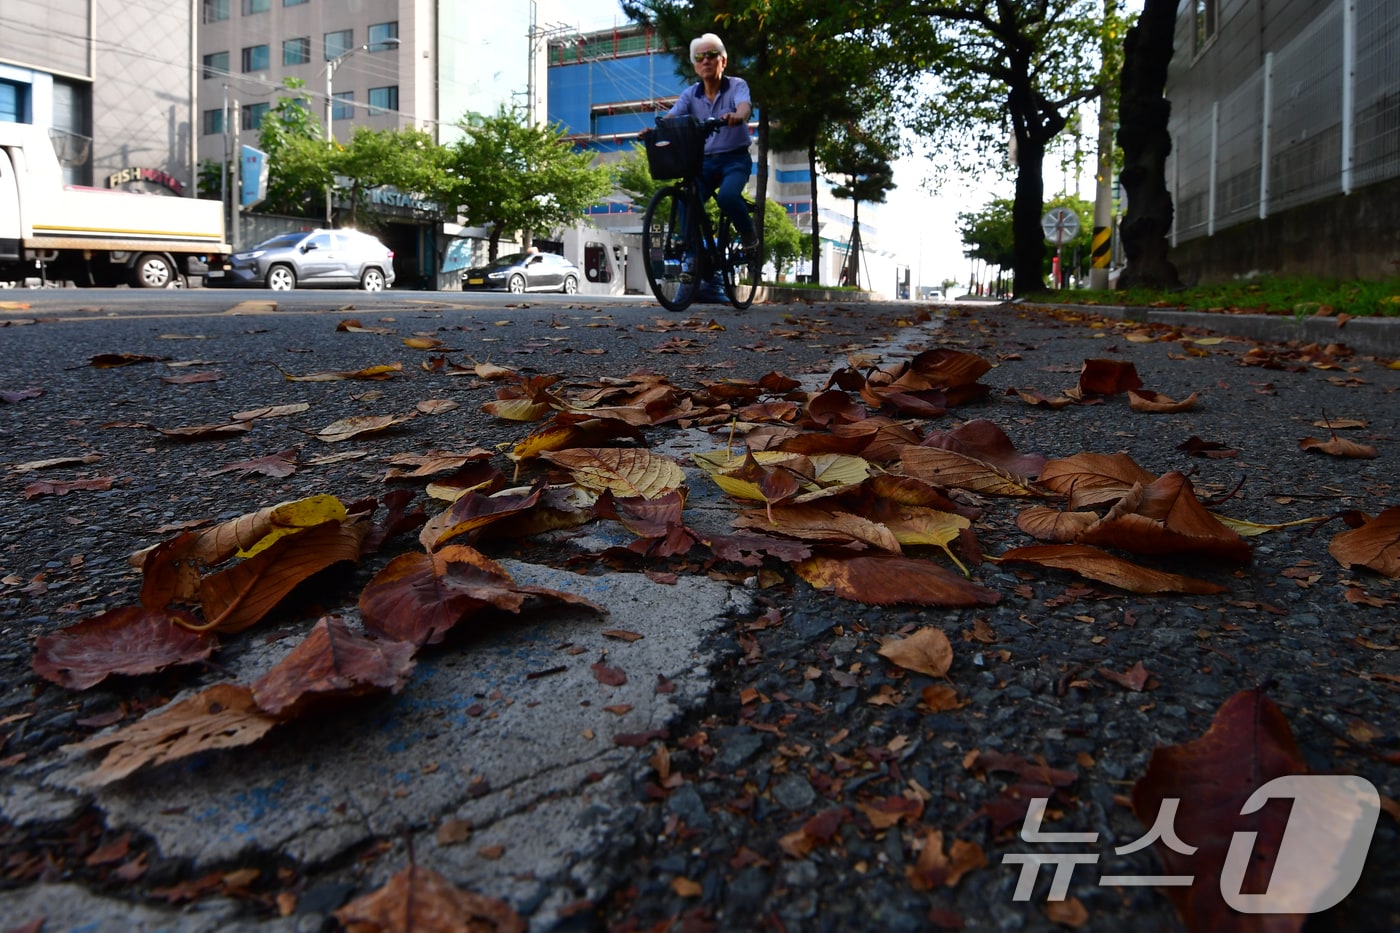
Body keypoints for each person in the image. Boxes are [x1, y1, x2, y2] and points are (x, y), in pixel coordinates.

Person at [657, 33, 757, 255]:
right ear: (695, 66)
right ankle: (694, 259)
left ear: (723, 61)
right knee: (686, 200)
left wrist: (737, 116)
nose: (705, 61)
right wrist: (655, 131)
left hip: (735, 160)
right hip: (704, 163)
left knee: (728, 197)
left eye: (712, 55)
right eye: (699, 57)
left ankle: (748, 233)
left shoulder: (736, 85)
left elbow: (744, 106)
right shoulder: (690, 94)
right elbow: (672, 116)